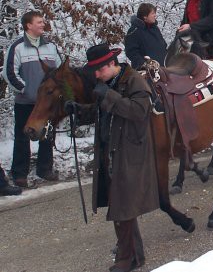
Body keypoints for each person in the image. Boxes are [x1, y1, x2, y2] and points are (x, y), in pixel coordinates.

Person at [66, 44, 158, 272]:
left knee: (121, 207)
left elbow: (139, 112)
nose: (96, 75)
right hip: (110, 151)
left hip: (130, 152)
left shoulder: (134, 81)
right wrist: (78, 109)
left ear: (110, 65)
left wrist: (109, 96)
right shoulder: (107, 84)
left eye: (98, 70)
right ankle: (135, 256)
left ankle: (127, 259)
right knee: (121, 206)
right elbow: (101, 111)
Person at [2, 11, 62, 188]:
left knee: (47, 134)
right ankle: (20, 174)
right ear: (28, 25)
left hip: (47, 104)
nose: (43, 24)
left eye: (43, 22)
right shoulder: (18, 47)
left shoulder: (50, 46)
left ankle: (45, 169)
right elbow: (9, 73)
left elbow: (60, 72)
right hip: (26, 103)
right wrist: (25, 90)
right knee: (22, 137)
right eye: (39, 22)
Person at [124, 3, 167, 70]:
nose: (155, 15)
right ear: (145, 16)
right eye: (152, 13)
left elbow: (163, 45)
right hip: (146, 73)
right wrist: (144, 64)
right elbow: (131, 52)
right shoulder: (134, 31)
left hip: (162, 69)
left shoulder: (155, 28)